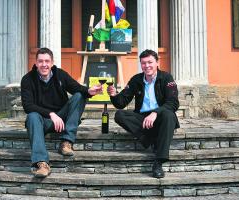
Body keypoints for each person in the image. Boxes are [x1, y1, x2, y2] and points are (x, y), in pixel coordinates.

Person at [21, 47, 102, 178]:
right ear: (36, 63)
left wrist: (89, 91)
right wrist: (51, 114)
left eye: (47, 61)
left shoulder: (60, 74)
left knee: (79, 96)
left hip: (62, 119)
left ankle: (66, 142)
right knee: (32, 116)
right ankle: (41, 163)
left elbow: (77, 88)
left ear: (52, 63)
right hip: (43, 122)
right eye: (40, 61)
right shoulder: (27, 79)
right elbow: (28, 106)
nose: (44, 65)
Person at [107, 49, 180, 178]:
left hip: (161, 117)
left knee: (169, 115)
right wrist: (113, 95)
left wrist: (155, 113)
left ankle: (159, 161)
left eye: (150, 62)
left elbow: (173, 103)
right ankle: (149, 139)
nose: (147, 66)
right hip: (142, 118)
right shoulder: (136, 79)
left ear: (157, 62)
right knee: (120, 115)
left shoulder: (166, 78)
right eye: (144, 63)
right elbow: (121, 103)